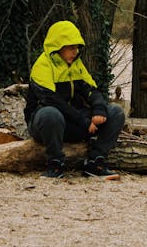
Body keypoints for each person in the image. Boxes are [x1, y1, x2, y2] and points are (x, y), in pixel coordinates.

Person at [24, 20, 125, 178]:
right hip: (48, 125)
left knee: (115, 111)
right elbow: (53, 101)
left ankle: (95, 162)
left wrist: (99, 110)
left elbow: (92, 91)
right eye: (71, 48)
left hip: (75, 123)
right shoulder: (42, 66)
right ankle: (55, 164)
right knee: (50, 113)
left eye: (77, 48)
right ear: (58, 47)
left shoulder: (76, 65)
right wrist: (84, 122)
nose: (75, 52)